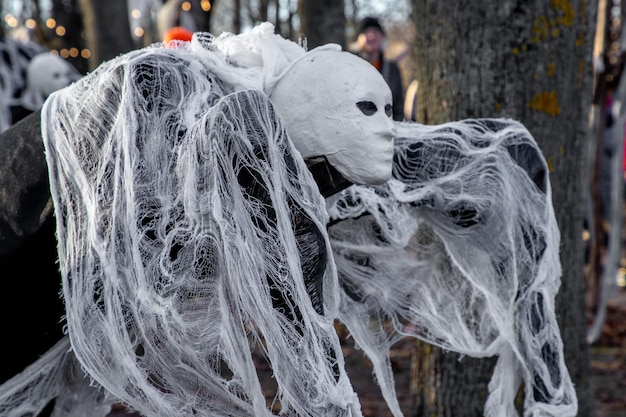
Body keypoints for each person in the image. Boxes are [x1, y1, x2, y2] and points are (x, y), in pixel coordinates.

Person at [351, 16, 405, 121]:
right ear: (358, 39)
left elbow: (398, 107)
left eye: (376, 32)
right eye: (366, 32)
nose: (371, 36)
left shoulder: (392, 69)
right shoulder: (349, 65)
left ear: (382, 37)